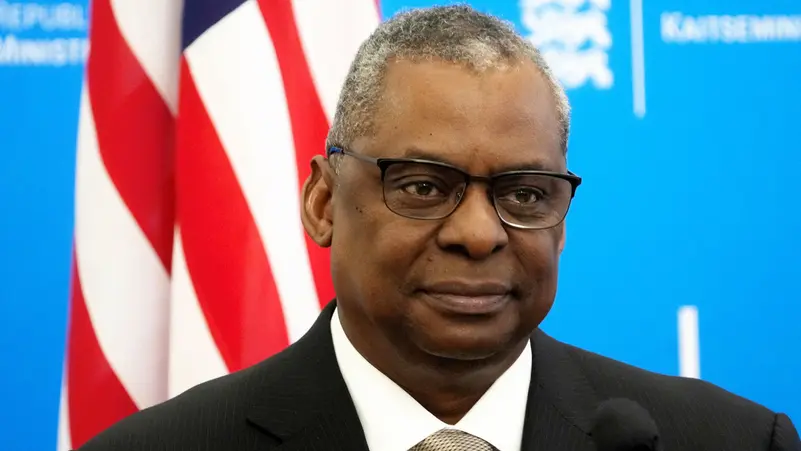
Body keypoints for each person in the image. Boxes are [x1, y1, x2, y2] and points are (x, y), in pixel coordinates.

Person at [77, 5, 799, 451]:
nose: (479, 234)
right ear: (323, 203)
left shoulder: (727, 441)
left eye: (524, 193)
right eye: (423, 186)